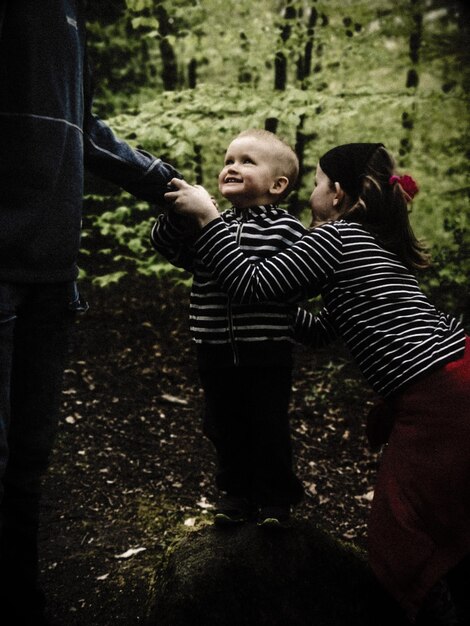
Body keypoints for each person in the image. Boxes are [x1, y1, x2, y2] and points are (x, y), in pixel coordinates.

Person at [164, 143, 470, 625]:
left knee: (402, 532)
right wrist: (273, 310)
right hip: (452, 380)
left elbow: (253, 284)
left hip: (440, 395)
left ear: (337, 193)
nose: (312, 193)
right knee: (444, 514)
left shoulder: (336, 239)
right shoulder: (369, 242)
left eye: (316, 183)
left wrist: (209, 219)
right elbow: (324, 328)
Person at [0, 2, 181, 624]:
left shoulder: (70, 15)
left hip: (52, 271)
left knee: (27, 461)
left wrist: (163, 181)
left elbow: (83, 126)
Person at [151, 129, 308, 529]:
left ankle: (275, 500)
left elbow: (255, 277)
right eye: (228, 160)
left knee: (267, 423)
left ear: (277, 185)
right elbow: (169, 248)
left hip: (267, 349)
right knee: (223, 425)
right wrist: (177, 215)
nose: (231, 167)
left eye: (246, 161)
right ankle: (236, 494)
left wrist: (209, 222)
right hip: (214, 345)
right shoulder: (211, 224)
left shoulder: (285, 228)